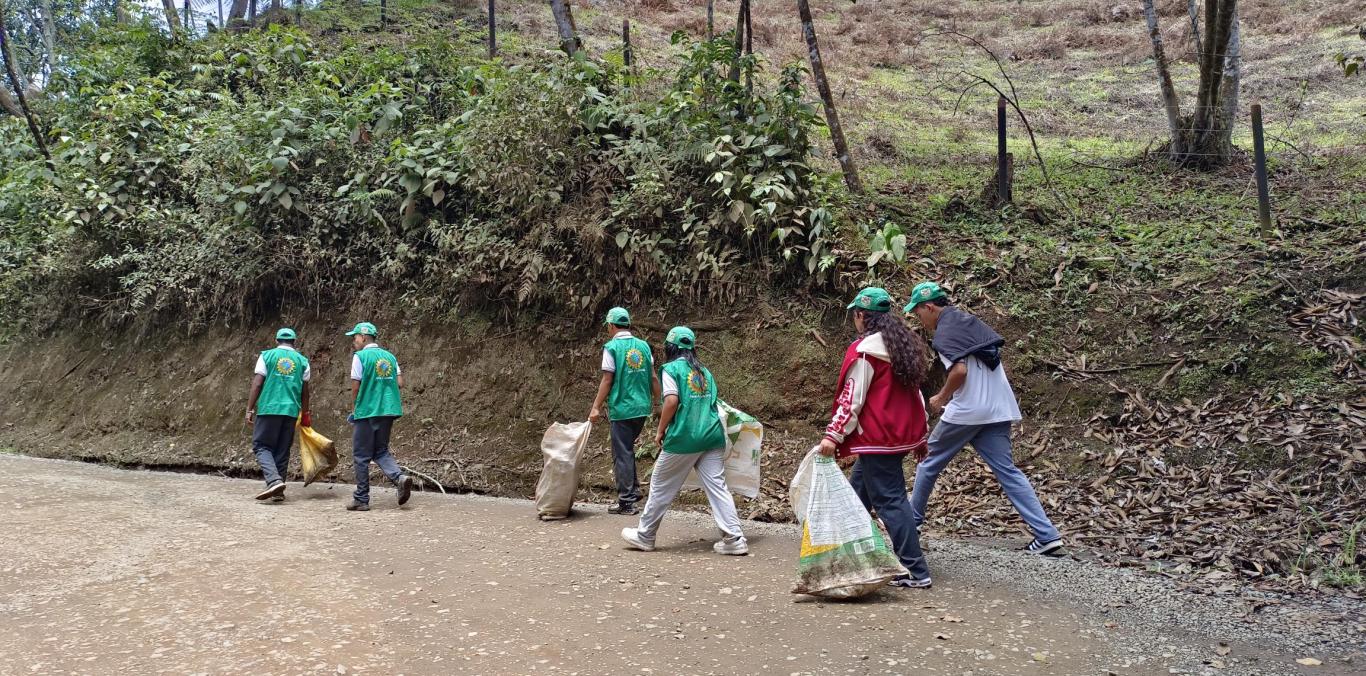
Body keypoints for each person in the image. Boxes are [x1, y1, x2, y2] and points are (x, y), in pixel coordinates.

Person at [904, 281, 1063, 555]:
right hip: (998, 406)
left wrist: (941, 398)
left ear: (929, 307)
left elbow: (960, 371)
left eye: (918, 313)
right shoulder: (967, 321)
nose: (920, 319)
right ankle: (1047, 535)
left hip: (969, 410)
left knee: (927, 461)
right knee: (1008, 471)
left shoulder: (944, 335)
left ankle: (911, 524)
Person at [819, 287, 934, 588]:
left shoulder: (865, 351)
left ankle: (915, 570)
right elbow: (917, 397)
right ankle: (847, 555)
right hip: (897, 437)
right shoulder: (901, 346)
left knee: (891, 501)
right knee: (857, 496)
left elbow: (851, 398)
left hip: (877, 437)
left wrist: (833, 435)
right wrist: (920, 437)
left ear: (860, 315)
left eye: (854, 315)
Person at [621, 327, 748, 555]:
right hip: (711, 435)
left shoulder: (670, 369)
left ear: (670, 347)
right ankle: (735, 538)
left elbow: (670, 401)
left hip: (684, 437)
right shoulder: (705, 372)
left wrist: (660, 431)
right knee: (718, 487)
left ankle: (645, 535)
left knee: (660, 484)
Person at [588, 307, 660, 515]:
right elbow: (653, 377)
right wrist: (658, 403)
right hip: (641, 408)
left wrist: (596, 407)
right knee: (627, 449)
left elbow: (607, 379)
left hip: (622, 408)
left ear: (611, 326)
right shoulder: (644, 346)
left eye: (607, 327)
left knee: (622, 453)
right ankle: (633, 490)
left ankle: (627, 501)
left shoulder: (611, 348)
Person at [344, 321, 414, 512]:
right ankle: (399, 477)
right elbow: (400, 383)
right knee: (380, 450)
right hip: (388, 410)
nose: (353, 341)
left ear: (364, 337)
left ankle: (361, 499)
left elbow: (356, 387)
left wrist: (355, 409)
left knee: (361, 455)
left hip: (367, 411)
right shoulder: (390, 356)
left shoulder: (360, 357)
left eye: (355, 337)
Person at [245, 327, 311, 502]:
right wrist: (305, 413)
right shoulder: (302, 361)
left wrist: (250, 408)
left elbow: (258, 383)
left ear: (276, 341)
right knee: (282, 449)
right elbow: (305, 391)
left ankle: (274, 480)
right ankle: (278, 490)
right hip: (291, 411)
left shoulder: (267, 356)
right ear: (294, 342)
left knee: (261, 446)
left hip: (269, 408)